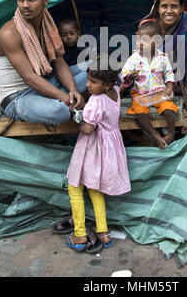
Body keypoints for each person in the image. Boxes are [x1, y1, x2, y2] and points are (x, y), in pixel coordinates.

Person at [0, 0, 87, 126]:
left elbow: (59, 63)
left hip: (46, 84)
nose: (25, 5)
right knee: (59, 111)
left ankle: (74, 101)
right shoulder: (9, 33)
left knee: (98, 68)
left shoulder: (48, 24)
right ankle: (72, 105)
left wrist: (73, 90)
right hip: (18, 97)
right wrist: (66, 98)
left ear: (45, 0)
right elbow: (29, 77)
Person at [65, 59, 131, 252]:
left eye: (93, 82)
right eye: (88, 79)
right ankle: (104, 233)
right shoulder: (116, 93)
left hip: (93, 147)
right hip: (110, 146)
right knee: (94, 189)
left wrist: (75, 117)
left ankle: (79, 235)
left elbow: (87, 129)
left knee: (75, 186)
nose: (88, 84)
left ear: (107, 84)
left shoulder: (96, 100)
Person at [121, 20, 178, 149]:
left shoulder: (163, 57)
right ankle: (155, 135)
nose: (140, 43)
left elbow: (169, 74)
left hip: (159, 93)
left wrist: (169, 87)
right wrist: (130, 76)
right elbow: (124, 76)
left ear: (157, 42)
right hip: (140, 94)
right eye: (139, 39)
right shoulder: (134, 59)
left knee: (169, 110)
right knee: (140, 113)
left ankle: (171, 133)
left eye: (145, 40)